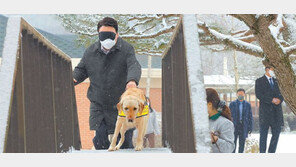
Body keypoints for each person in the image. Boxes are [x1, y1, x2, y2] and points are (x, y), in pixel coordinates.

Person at [73, 17, 142, 150]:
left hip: (122, 105)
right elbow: (81, 69)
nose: (107, 39)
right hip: (98, 103)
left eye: (110, 35)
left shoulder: (126, 49)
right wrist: (73, 78)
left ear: (117, 34)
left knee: (125, 142)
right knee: (100, 140)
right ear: (98, 35)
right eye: (103, 35)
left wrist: (132, 80)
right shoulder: (91, 51)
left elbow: (134, 65)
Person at [255, 67, 283, 153]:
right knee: (263, 135)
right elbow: (259, 94)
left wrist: (280, 99)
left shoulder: (277, 81)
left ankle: (271, 153)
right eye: (272, 69)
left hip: (276, 113)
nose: (273, 71)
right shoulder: (259, 81)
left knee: (276, 134)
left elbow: (282, 94)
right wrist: (271, 100)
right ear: (267, 69)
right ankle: (262, 153)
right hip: (265, 113)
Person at [206, 88, 235, 153]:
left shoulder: (225, 123)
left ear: (209, 104)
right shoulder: (204, 121)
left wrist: (216, 140)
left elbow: (229, 148)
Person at [229, 88, 253, 153]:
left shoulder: (248, 105)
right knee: (233, 144)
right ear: (237, 94)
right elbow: (229, 116)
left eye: (242, 94)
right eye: (239, 94)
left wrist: (250, 128)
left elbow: (250, 117)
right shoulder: (232, 104)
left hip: (243, 127)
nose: (240, 95)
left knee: (242, 144)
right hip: (234, 127)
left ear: (244, 94)